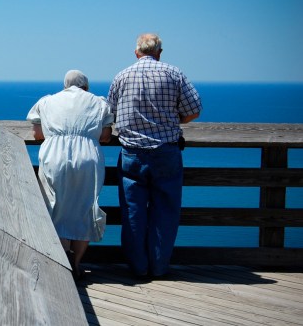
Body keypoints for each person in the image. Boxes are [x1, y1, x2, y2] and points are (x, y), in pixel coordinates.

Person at [107, 33, 202, 278]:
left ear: (136, 52)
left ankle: (138, 269)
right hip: (166, 152)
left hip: (132, 154)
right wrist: (173, 120)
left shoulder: (121, 76)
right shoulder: (174, 73)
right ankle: (159, 269)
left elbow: (111, 115)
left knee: (133, 212)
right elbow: (194, 110)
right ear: (159, 52)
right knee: (166, 212)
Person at [27, 70, 114, 280]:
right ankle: (76, 263)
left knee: (56, 207)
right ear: (86, 86)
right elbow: (105, 137)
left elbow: (37, 134)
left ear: (65, 85)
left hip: (54, 157)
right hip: (88, 157)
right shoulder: (99, 102)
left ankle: (62, 262)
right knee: (86, 208)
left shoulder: (47, 102)